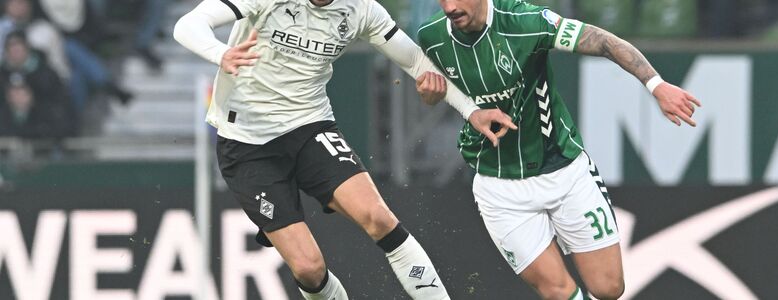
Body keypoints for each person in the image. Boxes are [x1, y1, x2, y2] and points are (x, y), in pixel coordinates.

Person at [173, 0, 516, 299]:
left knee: (379, 217)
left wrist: (471, 111)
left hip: (308, 126)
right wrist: (221, 54)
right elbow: (187, 24)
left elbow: (414, 61)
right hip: (246, 142)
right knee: (309, 268)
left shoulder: (361, 8)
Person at [415, 0, 701, 299]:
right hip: (498, 185)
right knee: (557, 291)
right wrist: (428, 94)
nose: (449, 7)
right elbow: (434, 94)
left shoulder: (526, 22)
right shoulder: (431, 35)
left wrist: (656, 85)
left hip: (562, 168)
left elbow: (602, 41)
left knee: (609, 287)